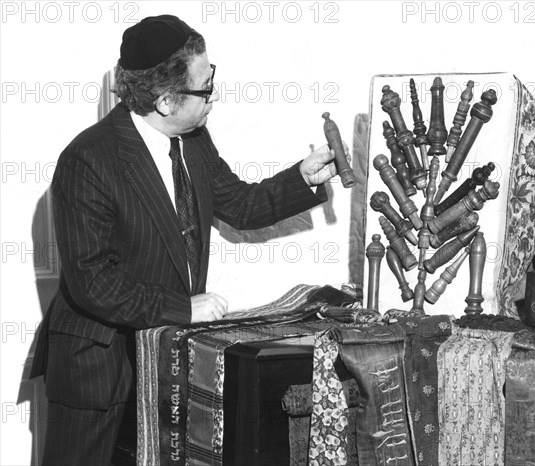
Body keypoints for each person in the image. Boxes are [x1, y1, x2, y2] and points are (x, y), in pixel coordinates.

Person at [30, 14, 342, 465]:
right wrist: (182, 309)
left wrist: (303, 178)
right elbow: (92, 282)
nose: (214, 97)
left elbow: (240, 205)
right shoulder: (88, 160)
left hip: (163, 355)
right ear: (164, 101)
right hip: (98, 366)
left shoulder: (192, 139)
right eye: (206, 87)